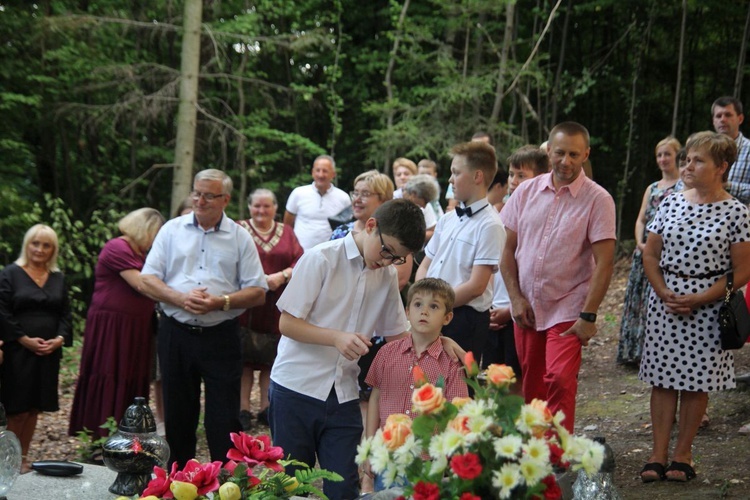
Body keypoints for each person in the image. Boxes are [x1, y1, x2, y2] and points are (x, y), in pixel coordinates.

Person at [269, 199, 432, 499]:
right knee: (292, 487)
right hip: (295, 389)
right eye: (386, 252)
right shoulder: (321, 258)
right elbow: (287, 324)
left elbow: (399, 336)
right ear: (371, 226)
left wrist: (437, 345)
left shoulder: (385, 277)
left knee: (344, 487)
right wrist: (336, 338)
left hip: (344, 393)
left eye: (397, 259)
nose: (386, 263)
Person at [638, 131, 750, 483]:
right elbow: (651, 254)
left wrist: (702, 297)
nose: (688, 165)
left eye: (698, 160)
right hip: (665, 302)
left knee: (695, 382)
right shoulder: (670, 200)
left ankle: (682, 455)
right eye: (687, 158)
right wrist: (664, 292)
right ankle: (657, 454)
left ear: (721, 167)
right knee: (662, 379)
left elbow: (743, 270)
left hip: (709, 307)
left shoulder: (736, 212)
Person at [140, 169, 267, 467]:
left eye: (208, 195)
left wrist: (220, 302)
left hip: (221, 335)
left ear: (225, 199)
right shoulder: (172, 230)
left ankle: (225, 484)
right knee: (178, 415)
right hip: (176, 333)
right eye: (196, 193)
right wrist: (180, 298)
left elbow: (258, 291)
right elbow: (148, 280)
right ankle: (177, 482)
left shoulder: (239, 237)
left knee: (224, 418)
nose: (199, 200)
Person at [500, 122, 616, 433]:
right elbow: (507, 250)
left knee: (560, 380)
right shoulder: (525, 192)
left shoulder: (598, 199)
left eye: (574, 154)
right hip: (527, 306)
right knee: (533, 386)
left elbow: (605, 263)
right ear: (548, 151)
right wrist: (515, 297)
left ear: (586, 154)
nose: (566, 161)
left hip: (569, 305)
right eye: (560, 153)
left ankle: (559, 458)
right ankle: (537, 457)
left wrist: (588, 315)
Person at [363, 278, 469, 491]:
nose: (424, 312)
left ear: (447, 318)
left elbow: (457, 412)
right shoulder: (386, 353)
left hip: (427, 460)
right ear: (407, 311)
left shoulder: (451, 362)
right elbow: (375, 398)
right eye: (418, 304)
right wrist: (369, 447)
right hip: (387, 454)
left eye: (434, 306)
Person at [68, 208, 165, 439]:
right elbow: (142, 284)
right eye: (156, 233)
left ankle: (128, 434)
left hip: (136, 327)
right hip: (113, 327)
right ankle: (102, 436)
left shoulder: (140, 254)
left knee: (131, 376)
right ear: (146, 229)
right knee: (110, 372)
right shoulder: (118, 247)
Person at [416, 141, 506, 357]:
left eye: (456, 173)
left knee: (458, 385)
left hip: (464, 318)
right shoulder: (447, 219)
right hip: (432, 312)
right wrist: (421, 300)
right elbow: (426, 264)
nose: (450, 180)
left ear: (477, 177)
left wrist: (436, 307)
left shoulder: (490, 225)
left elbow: (476, 285)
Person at [0, 224, 72, 473]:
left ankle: (21, 460)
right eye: (35, 243)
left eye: (46, 245)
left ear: (53, 249)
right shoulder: (10, 273)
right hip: (17, 352)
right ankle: (5, 462)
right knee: (16, 409)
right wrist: (22, 339)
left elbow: (65, 313)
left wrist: (60, 339)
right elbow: (2, 311)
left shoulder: (58, 277)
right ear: (27, 244)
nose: (39, 249)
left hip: (48, 354)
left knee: (34, 409)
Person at [237, 189, 303, 430]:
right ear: (249, 207)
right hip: (245, 303)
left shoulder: (287, 232)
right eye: (257, 206)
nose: (261, 211)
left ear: (276, 208)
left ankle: (266, 407)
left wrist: (282, 275)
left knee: (270, 358)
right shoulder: (238, 228)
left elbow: (300, 260)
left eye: (266, 206)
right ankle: (243, 409)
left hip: (275, 303)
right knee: (244, 359)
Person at [617, 137, 681, 365]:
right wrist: (640, 243)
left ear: (677, 156)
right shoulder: (652, 188)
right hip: (644, 252)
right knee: (639, 300)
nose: (663, 159)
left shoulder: (685, 186)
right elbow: (641, 218)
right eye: (659, 155)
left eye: (667, 154)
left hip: (668, 255)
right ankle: (634, 350)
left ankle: (656, 352)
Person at [485, 146, 547, 380]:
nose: (513, 181)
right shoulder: (500, 210)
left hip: (519, 310)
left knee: (517, 379)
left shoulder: (539, 215)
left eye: (522, 175)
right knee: (493, 379)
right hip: (494, 305)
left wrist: (511, 309)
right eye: (511, 174)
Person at [283, 155, 351, 250]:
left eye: (325, 171)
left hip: (331, 254)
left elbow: (348, 227)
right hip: (300, 253)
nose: (320, 175)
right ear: (312, 172)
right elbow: (287, 225)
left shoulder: (343, 198)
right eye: (317, 170)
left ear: (333, 174)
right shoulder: (298, 193)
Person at [711, 96, 750, 204]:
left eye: (728, 115)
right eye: (718, 116)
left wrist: (727, 186)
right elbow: (682, 182)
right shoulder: (702, 149)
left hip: (739, 217)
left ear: (740, 119)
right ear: (713, 121)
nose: (722, 119)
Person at [401, 174, 439, 242]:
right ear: (414, 194)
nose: (424, 206)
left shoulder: (427, 207)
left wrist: (413, 238)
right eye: (426, 201)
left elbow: (432, 231)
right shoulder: (395, 199)